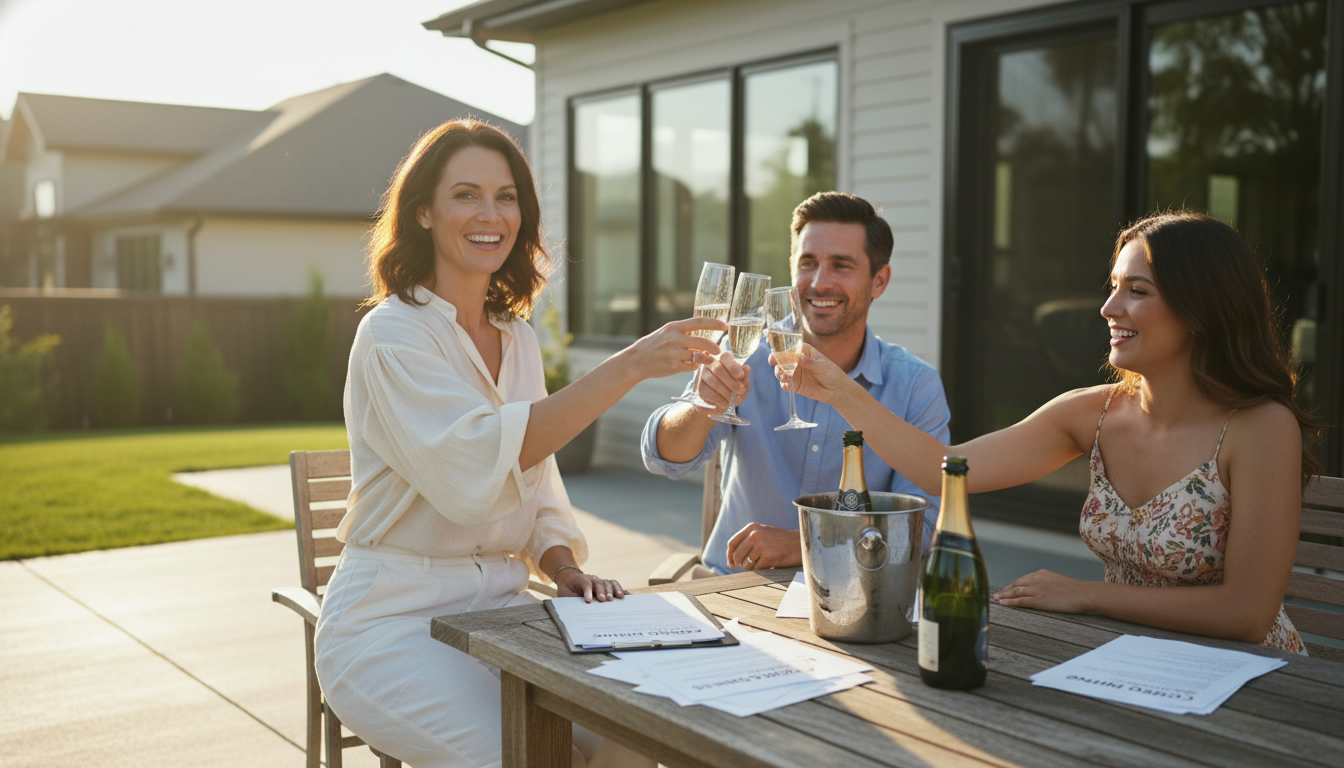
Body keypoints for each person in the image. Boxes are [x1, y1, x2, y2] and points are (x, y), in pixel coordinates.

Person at [314, 119, 724, 767]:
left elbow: (536, 484)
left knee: (648, 729)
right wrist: (632, 364)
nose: (491, 214)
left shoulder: (518, 339)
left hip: (506, 614)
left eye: (507, 197)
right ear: (422, 212)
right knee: (531, 761)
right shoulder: (393, 336)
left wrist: (563, 568)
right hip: (392, 622)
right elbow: (473, 468)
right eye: (466, 194)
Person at [782, 210, 1314, 653]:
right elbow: (945, 469)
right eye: (1113, 288)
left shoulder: (1260, 427)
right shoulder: (1093, 413)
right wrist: (837, 390)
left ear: (1201, 309)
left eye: (1138, 291)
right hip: (1131, 655)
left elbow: (1247, 612)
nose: (1109, 308)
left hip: (1250, 675)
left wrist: (1087, 595)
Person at [641, 192, 951, 575]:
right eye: (808, 263)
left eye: (841, 266)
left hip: (852, 596)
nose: (820, 283)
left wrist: (805, 543)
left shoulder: (915, 385)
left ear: (879, 281)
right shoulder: (745, 350)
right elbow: (663, 459)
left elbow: (924, 529)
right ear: (792, 268)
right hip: (732, 588)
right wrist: (700, 408)